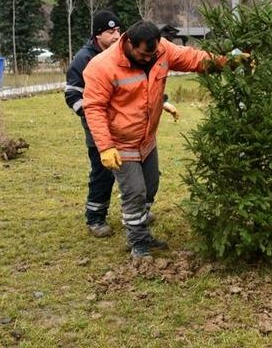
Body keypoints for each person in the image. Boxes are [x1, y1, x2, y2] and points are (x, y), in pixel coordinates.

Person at [83, 21, 235, 259]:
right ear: (130, 43)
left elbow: (193, 58)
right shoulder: (102, 66)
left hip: (147, 138)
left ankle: (140, 229)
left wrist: (229, 62)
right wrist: (105, 146)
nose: (148, 58)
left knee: (150, 187)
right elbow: (94, 108)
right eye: (143, 54)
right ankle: (138, 242)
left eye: (152, 54)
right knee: (135, 192)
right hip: (121, 141)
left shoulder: (161, 50)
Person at [64, 10, 122, 238]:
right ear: (98, 35)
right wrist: (91, 117)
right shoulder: (84, 59)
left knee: (133, 169)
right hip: (97, 127)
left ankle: (136, 212)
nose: (117, 36)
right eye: (111, 32)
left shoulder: (121, 54)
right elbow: (72, 94)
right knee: (102, 172)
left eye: (118, 30)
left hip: (122, 125)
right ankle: (95, 217)